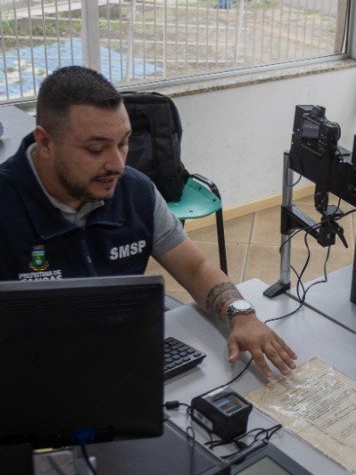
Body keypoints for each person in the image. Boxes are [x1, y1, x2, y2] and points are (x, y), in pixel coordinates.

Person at [0, 66, 296, 378]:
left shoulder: (136, 192)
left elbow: (195, 268)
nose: (116, 163)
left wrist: (241, 313)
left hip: (120, 360)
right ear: (45, 143)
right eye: (95, 149)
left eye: (124, 143)